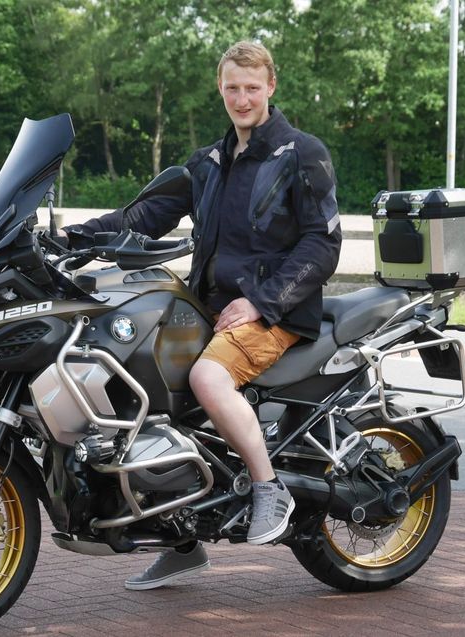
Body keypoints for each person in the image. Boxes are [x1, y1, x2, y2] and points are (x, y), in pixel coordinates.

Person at [63, 41, 342, 590]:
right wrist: (68, 239)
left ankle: (269, 489)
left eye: (252, 88)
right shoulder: (207, 162)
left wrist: (263, 302)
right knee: (140, 380)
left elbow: (322, 245)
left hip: (274, 313)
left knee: (207, 377)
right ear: (220, 88)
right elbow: (141, 217)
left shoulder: (301, 153)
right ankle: (181, 539)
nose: (242, 98)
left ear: (271, 87)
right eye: (233, 87)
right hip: (211, 308)